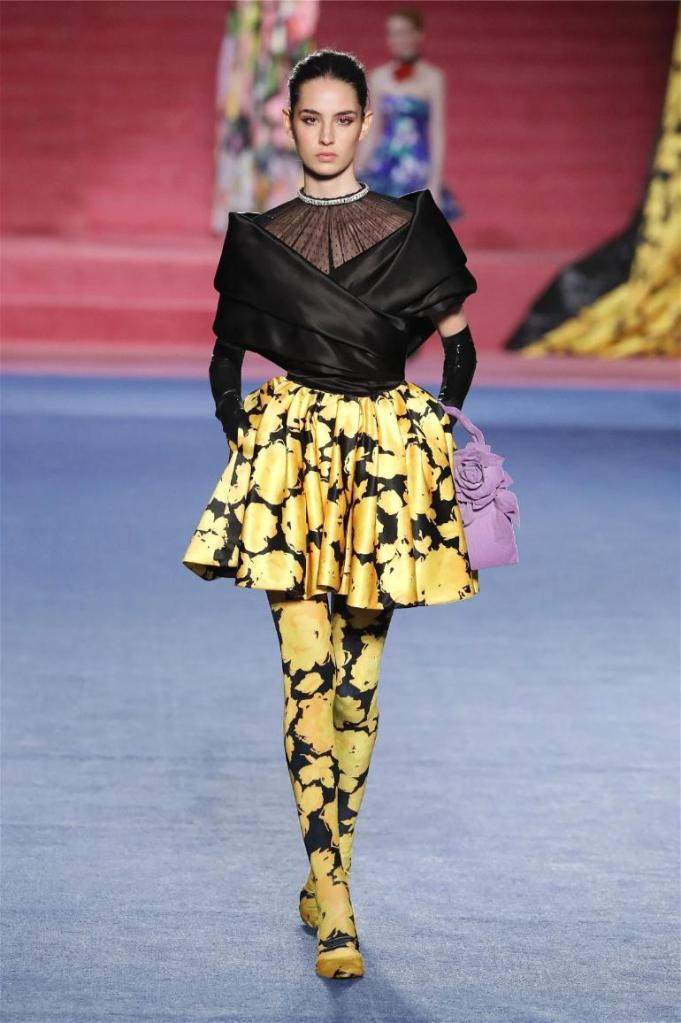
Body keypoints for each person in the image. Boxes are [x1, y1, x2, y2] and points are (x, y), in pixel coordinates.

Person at [181, 48, 480, 981]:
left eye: (340, 119)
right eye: (308, 118)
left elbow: (459, 346)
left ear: (364, 124)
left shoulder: (411, 229)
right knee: (306, 679)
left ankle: (325, 867)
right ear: (289, 124)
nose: (323, 134)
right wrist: (248, 441)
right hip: (294, 468)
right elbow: (226, 358)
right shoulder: (260, 238)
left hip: (381, 469)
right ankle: (337, 898)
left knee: (357, 687)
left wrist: (430, 432)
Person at [356, 6, 463, 221]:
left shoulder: (433, 78)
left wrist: (434, 181)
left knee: (414, 231)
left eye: (403, 32)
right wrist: (356, 170)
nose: (398, 39)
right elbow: (372, 129)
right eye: (392, 33)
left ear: (418, 35)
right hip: (385, 164)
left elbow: (437, 132)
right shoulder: (378, 77)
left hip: (416, 168)